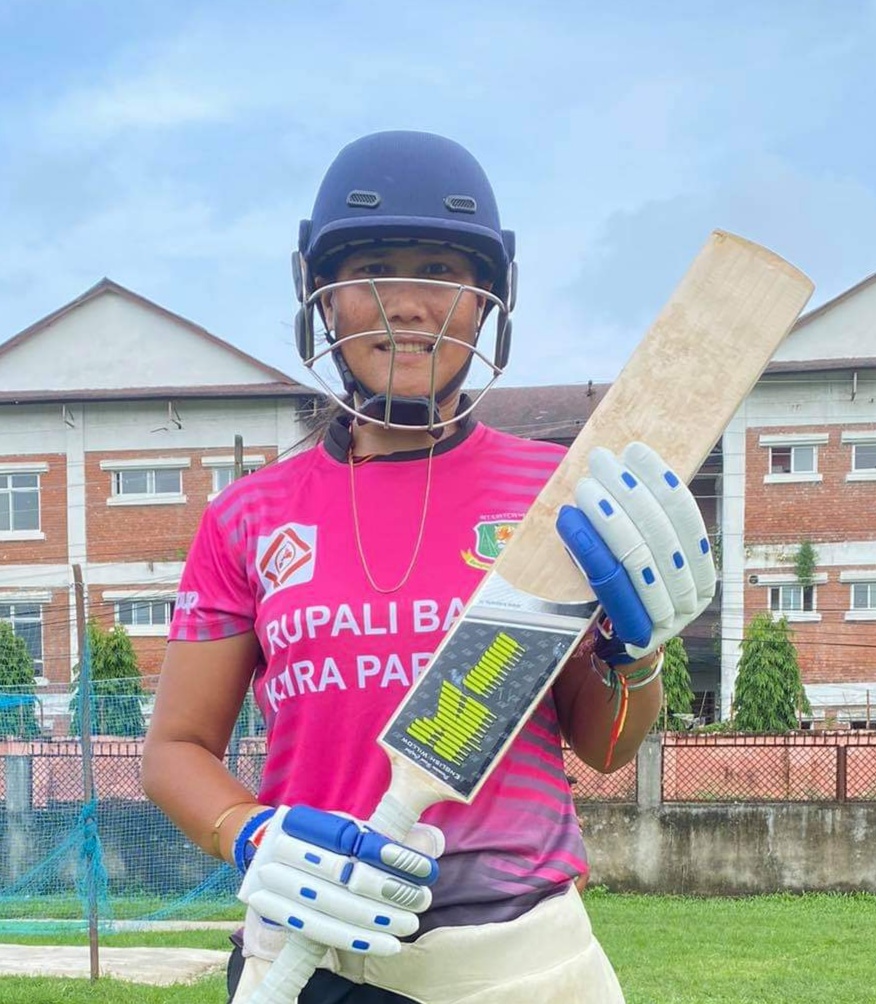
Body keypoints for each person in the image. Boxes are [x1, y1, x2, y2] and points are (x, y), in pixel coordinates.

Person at [142, 130, 715, 1004]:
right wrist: (249, 832)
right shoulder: (249, 516)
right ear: (324, 299)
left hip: (521, 963)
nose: (407, 303)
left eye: (441, 272)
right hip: (311, 953)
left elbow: (604, 748)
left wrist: (635, 657)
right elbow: (175, 749)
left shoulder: (558, 491)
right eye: (373, 268)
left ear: (486, 302)